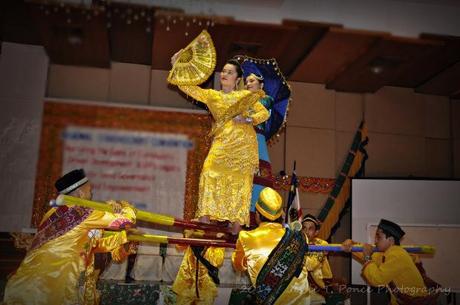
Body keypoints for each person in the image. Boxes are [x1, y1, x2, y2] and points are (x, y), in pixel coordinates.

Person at [170, 48, 269, 235]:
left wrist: (249, 120)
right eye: (223, 71)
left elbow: (263, 113)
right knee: (209, 170)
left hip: (243, 145)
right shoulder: (212, 96)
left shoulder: (244, 96)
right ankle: (206, 216)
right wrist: (177, 65)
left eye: (229, 72)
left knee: (240, 182)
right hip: (222, 143)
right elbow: (189, 88)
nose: (224, 74)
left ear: (237, 79)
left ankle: (236, 223)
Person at [3, 169, 137, 305]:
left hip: (33, 284)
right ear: (80, 193)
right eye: (89, 190)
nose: (91, 194)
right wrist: (122, 205)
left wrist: (121, 239)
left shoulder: (51, 213)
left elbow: (87, 244)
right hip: (57, 287)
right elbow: (126, 221)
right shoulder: (84, 212)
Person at [232, 187, 310, 305]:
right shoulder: (300, 237)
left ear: (257, 214)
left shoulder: (246, 237)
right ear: (281, 215)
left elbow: (239, 266)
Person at [342, 219, 440, 305]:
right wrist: (352, 244)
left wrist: (367, 257)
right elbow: (372, 255)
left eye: (378, 237)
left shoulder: (397, 255)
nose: (375, 240)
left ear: (390, 240)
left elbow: (377, 279)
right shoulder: (388, 254)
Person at [244, 73, 276, 226]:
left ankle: (257, 216)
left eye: (252, 81)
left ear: (261, 85)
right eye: (246, 81)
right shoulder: (243, 99)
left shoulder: (266, 99)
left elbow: (258, 111)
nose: (248, 83)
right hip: (243, 140)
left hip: (258, 139)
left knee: (259, 178)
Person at [171, 231, 225, 305]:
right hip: (187, 284)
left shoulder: (216, 238)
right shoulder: (193, 233)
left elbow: (217, 261)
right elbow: (179, 246)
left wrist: (214, 241)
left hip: (206, 287)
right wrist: (189, 236)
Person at [301, 214, 333, 304]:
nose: (306, 231)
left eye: (310, 229)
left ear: (316, 232)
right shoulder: (297, 243)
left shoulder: (322, 244)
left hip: (318, 287)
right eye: (304, 228)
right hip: (301, 288)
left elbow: (310, 266)